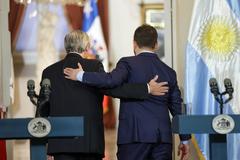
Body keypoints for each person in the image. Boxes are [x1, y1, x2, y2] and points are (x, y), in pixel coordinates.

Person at [64, 24, 191, 160]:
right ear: (156, 45)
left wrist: (81, 75)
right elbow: (178, 108)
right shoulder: (169, 72)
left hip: (133, 137)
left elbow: (110, 81)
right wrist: (184, 140)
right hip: (162, 139)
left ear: (134, 43)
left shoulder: (128, 63)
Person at [40, 30, 169, 160]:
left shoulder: (49, 72)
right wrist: (146, 88)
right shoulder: (93, 66)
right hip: (89, 142)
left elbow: (42, 108)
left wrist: (45, 143)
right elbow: (114, 89)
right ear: (87, 47)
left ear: (66, 46)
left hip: (59, 143)